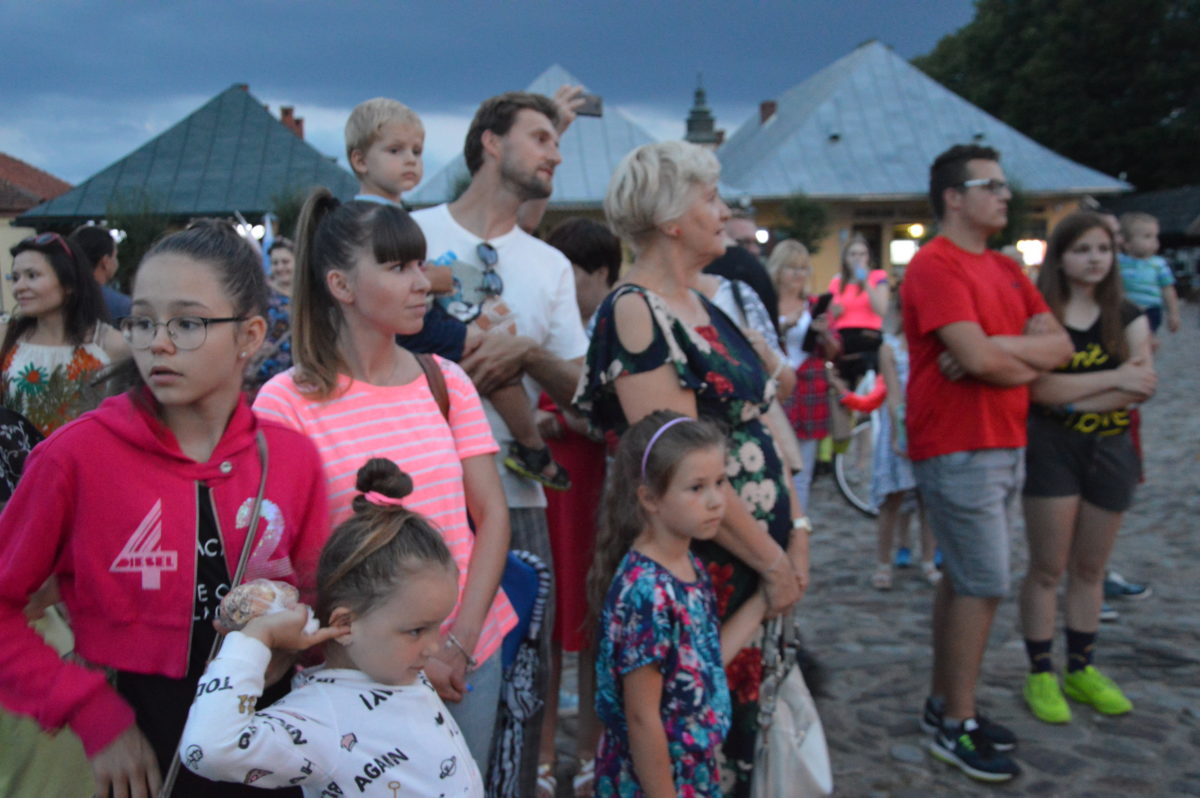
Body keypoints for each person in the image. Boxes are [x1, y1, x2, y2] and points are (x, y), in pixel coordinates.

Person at [0, 220, 330, 798]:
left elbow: (320, 601)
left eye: (187, 323)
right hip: (133, 762)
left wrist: (302, 636)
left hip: (268, 753)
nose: (158, 342)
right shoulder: (74, 457)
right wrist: (91, 712)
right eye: (144, 321)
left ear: (250, 335)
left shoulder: (291, 459)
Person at [574, 140, 805, 798]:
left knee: (740, 739)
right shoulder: (635, 310)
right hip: (702, 570)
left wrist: (799, 531)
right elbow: (679, 464)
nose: (725, 211)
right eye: (710, 197)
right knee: (691, 739)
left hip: (752, 558)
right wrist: (772, 560)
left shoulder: (707, 302)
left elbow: (762, 422)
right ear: (670, 217)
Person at [253, 189, 515, 769]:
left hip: (467, 650)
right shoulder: (285, 403)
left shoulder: (445, 380)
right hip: (355, 670)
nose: (423, 283)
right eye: (398, 267)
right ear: (341, 285)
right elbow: (282, 555)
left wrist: (459, 644)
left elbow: (492, 516)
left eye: (420, 264)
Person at [406, 90, 592, 793]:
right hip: (414, 484)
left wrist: (528, 354)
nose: (555, 154)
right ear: (490, 141)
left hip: (516, 493)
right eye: (541, 137)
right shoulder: (410, 233)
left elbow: (581, 393)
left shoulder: (548, 265)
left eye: (556, 140)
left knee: (522, 664)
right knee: (409, 655)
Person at [903, 144, 1073, 783]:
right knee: (984, 581)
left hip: (1003, 437)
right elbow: (975, 362)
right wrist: (1001, 354)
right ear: (954, 197)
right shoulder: (935, 264)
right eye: (992, 186)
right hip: (957, 442)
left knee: (963, 578)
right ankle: (958, 723)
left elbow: (1059, 345)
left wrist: (997, 347)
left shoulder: (1004, 266)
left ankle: (944, 704)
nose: (1006, 195)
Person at [180, 458, 484, 796]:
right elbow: (207, 750)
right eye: (417, 631)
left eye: (436, 626)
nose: (433, 646)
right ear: (345, 624)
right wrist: (256, 638)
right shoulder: (320, 718)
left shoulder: (400, 672)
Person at [1017, 212, 1154, 724]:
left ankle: (1081, 666)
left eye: (1103, 249)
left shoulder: (1129, 315)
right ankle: (1040, 671)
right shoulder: (1041, 316)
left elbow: (1141, 387)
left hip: (1111, 448)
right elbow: (1037, 389)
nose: (1095, 259)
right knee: (1047, 567)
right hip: (1051, 448)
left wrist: (1071, 396)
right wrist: (1111, 379)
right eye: (1082, 250)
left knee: (1091, 568)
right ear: (1060, 258)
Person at [590, 411, 767, 796]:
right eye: (696, 488)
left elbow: (701, 663)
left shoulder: (689, 566)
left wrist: (761, 603)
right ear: (650, 498)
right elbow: (642, 719)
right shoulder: (648, 593)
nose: (716, 501)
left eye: (720, 482)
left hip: (692, 771)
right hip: (656, 780)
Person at [533, 217, 621, 798]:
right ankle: (542, 753)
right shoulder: (545, 324)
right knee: (543, 627)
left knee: (593, 627)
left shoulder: (615, 330)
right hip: (547, 491)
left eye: (571, 276)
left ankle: (590, 749)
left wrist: (561, 420)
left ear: (601, 273)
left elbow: (616, 419)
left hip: (597, 493)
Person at [2, 232, 128, 435]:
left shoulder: (112, 344)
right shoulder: (6, 337)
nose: (19, 287)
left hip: (84, 453)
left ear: (68, 283)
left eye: (32, 276)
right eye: (15, 278)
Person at [869, 297, 939, 590]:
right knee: (893, 498)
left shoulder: (932, 346)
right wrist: (901, 431)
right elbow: (894, 394)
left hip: (929, 424)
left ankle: (928, 559)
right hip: (901, 424)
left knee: (928, 500)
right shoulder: (889, 348)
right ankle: (883, 561)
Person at [770, 240, 838, 511]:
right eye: (792, 268)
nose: (799, 274)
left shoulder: (814, 306)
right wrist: (784, 328)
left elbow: (834, 351)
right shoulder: (765, 303)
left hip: (809, 392)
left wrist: (824, 333)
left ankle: (800, 522)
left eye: (803, 268)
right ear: (778, 270)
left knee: (803, 470)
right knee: (774, 464)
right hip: (777, 390)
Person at [828, 233, 889, 388]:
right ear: (845, 258)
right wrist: (835, 312)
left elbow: (881, 309)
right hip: (843, 337)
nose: (857, 258)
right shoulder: (837, 282)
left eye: (862, 254)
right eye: (853, 254)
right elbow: (829, 315)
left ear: (868, 257)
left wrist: (865, 281)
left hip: (868, 335)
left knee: (866, 371)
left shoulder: (878, 277)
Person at [703, 214, 779, 334]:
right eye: (745, 243)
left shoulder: (760, 275)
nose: (755, 250)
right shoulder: (708, 278)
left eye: (756, 243)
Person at [246, 237, 296, 392]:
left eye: (285, 262)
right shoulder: (262, 293)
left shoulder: (307, 295)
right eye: (275, 263)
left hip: (298, 372)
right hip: (265, 370)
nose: (280, 267)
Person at [1117, 212, 1180, 334]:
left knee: (1146, 338)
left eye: (1155, 236)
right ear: (1127, 243)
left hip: (1151, 310)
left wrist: (1173, 314)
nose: (1154, 241)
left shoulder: (1159, 264)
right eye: (1147, 236)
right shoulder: (1119, 262)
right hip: (1125, 308)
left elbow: (1168, 289)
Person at [70, 224, 131, 320]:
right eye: (115, 256)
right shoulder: (124, 306)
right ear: (105, 262)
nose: (117, 262)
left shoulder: (60, 298)